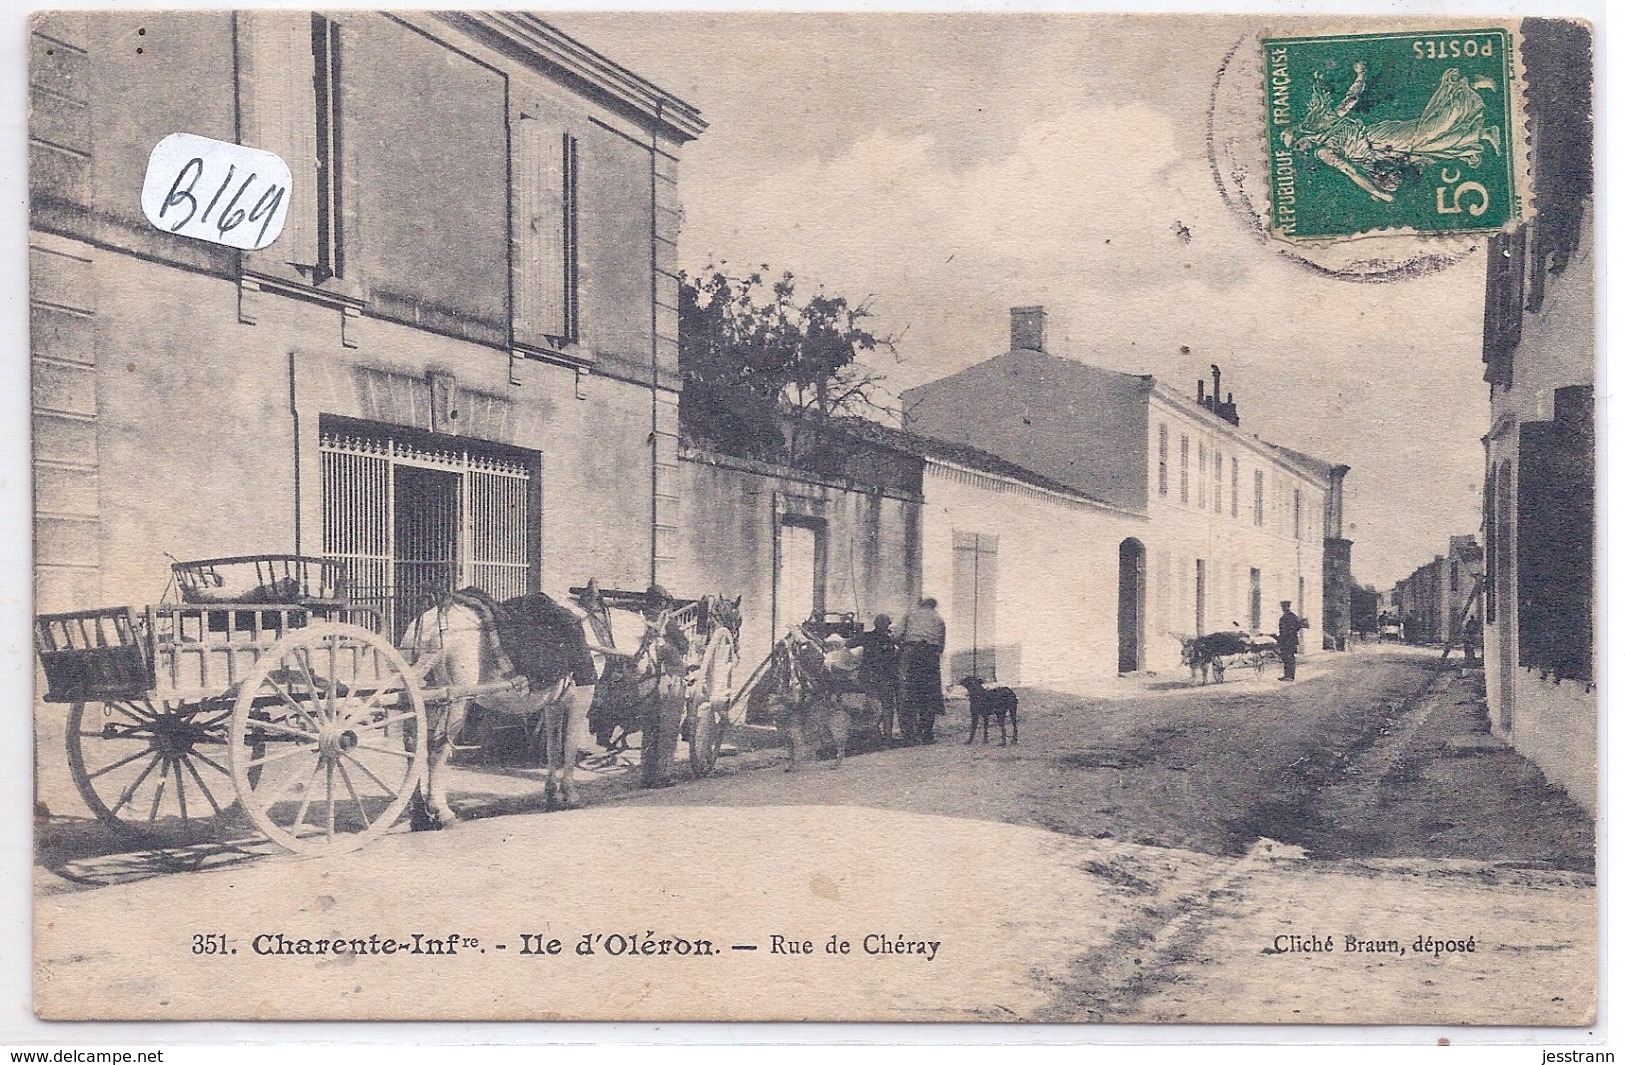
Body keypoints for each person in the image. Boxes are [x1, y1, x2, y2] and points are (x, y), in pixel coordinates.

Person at [639, 584, 690, 788]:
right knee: (668, 729)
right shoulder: (666, 621)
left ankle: (647, 775)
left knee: (649, 730)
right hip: (670, 679)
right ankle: (663, 775)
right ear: (662, 603)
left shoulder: (640, 619)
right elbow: (684, 645)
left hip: (647, 681)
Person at [897, 597, 946, 743]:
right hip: (931, 655)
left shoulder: (910, 614)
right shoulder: (939, 619)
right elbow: (942, 645)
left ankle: (909, 734)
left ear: (921, 605)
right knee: (930, 694)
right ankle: (927, 733)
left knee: (908, 691)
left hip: (912, 653)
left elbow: (896, 635)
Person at [850, 614, 899, 740]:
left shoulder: (867, 636)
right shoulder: (890, 640)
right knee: (887, 707)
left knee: (875, 706)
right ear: (887, 625)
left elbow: (849, 644)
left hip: (868, 676)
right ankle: (887, 735)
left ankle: (875, 731)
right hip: (884, 677)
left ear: (875, 624)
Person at [1277, 600, 1307, 682]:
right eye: (1283, 607)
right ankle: (1287, 675)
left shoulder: (1292, 617)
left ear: (1288, 607)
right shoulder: (1285, 617)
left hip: (1290, 640)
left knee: (1289, 657)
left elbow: (1297, 627)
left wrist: (1289, 633)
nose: (1284, 609)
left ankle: (1290, 676)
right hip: (1285, 640)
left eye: (1285, 607)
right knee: (1286, 658)